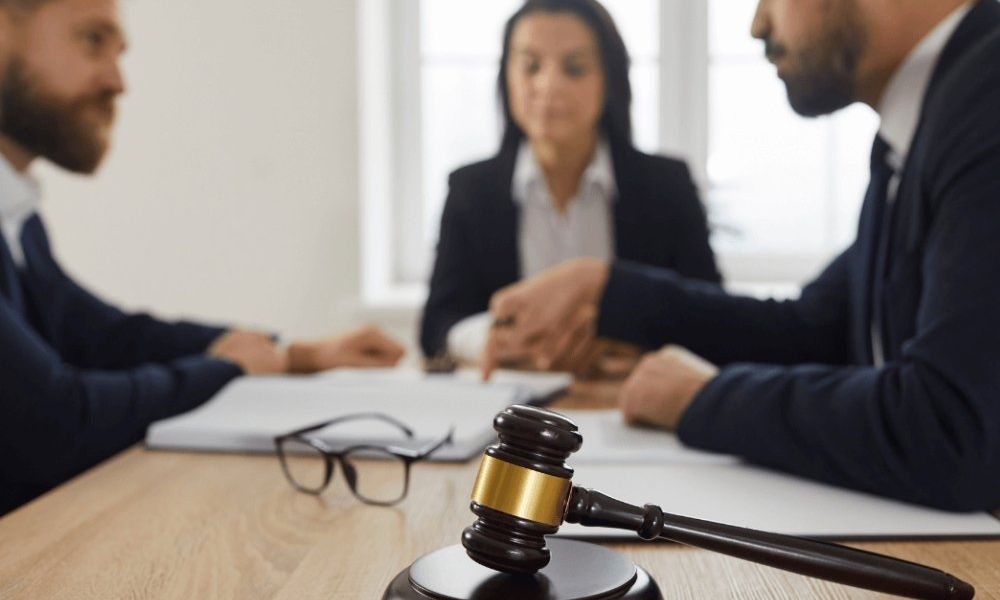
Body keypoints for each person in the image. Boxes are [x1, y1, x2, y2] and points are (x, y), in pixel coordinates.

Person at [483, 0, 1000, 511]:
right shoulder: (923, 129)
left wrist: (702, 399)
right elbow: (814, 329)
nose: (758, 24)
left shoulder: (985, 100)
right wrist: (607, 291)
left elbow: (951, 427)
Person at [0, 0, 405, 515]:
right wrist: (226, 370)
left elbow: (105, 337)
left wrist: (293, 355)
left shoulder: (17, 218)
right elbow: (57, 422)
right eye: (92, 41)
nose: (118, 81)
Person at [419, 0, 720, 372]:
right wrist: (493, 338)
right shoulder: (471, 189)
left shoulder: (667, 185)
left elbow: (711, 313)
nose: (549, 85)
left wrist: (632, 345)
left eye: (574, 68)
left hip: (630, 405)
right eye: (530, 66)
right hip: (514, 410)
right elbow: (438, 323)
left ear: (609, 79)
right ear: (506, 76)